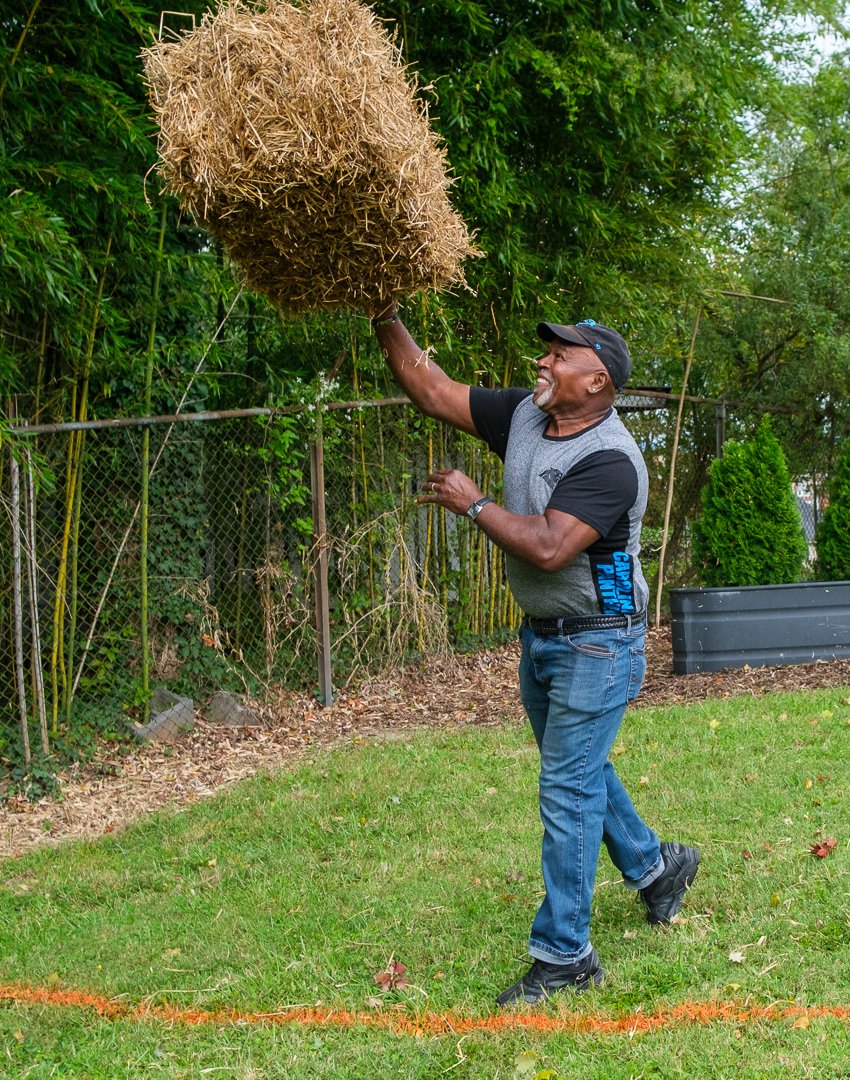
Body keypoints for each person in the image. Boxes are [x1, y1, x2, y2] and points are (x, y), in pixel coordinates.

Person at [370, 301, 699, 1006]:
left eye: (560, 355)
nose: (544, 361)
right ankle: (655, 867)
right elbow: (432, 390)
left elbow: (551, 548)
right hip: (546, 635)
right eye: (546, 351)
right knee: (576, 773)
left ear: (599, 382)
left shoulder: (610, 461)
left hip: (600, 639)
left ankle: (564, 955)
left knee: (567, 788)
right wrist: (382, 312)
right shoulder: (526, 414)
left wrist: (473, 504)